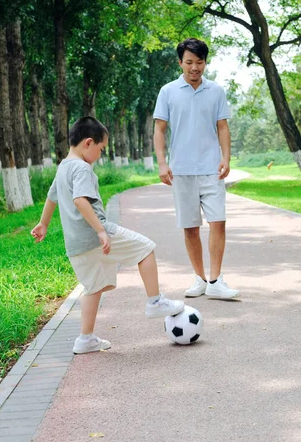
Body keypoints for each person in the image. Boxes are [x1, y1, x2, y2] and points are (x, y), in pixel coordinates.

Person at [31, 116, 185, 354]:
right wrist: (101, 230)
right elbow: (80, 200)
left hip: (75, 244)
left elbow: (52, 197)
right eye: (101, 150)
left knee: (93, 288)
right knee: (146, 248)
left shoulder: (63, 167)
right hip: (95, 234)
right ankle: (155, 301)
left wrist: (43, 223)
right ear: (88, 143)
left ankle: (85, 339)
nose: (100, 156)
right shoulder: (82, 168)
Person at [153, 38, 239, 300]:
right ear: (180, 62)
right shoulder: (168, 91)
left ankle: (216, 280)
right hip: (182, 170)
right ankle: (200, 278)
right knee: (190, 227)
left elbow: (222, 127)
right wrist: (162, 162)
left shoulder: (216, 91)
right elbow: (159, 129)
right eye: (189, 62)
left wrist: (226, 157)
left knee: (218, 223)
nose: (194, 68)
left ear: (205, 63)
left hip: (212, 169)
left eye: (199, 62)